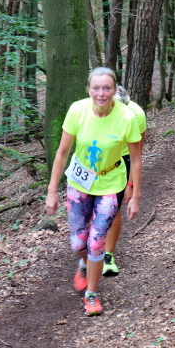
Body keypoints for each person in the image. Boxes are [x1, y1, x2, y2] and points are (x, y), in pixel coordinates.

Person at [45, 67, 142, 316]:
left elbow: (136, 159)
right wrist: (52, 191)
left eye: (107, 88)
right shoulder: (77, 110)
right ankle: (85, 263)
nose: (101, 93)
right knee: (79, 243)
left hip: (111, 182)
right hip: (80, 182)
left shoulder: (127, 117)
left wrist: (134, 196)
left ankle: (91, 294)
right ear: (89, 89)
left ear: (114, 89)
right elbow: (62, 153)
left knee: (97, 242)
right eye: (96, 88)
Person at [103, 85, 147, 277]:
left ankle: (107, 255)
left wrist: (131, 186)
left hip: (124, 158)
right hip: (99, 158)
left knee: (113, 207)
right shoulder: (93, 111)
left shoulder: (136, 115)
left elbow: (137, 156)